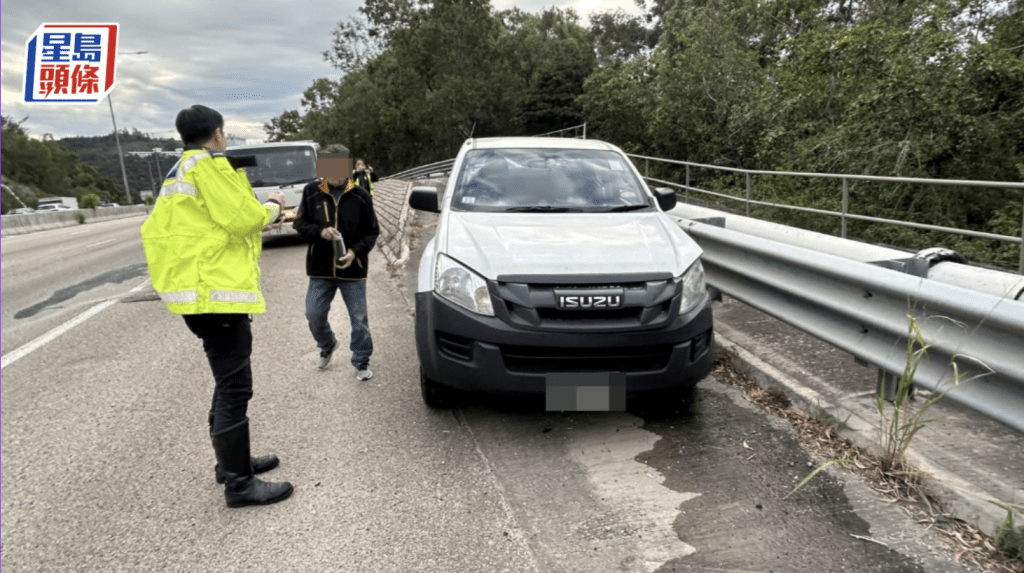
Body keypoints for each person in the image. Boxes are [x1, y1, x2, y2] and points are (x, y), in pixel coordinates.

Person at [140, 104, 294, 508]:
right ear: (218, 134)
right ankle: (239, 486)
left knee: (226, 380)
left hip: (196, 294)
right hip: (215, 294)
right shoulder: (208, 167)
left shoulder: (178, 172)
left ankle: (230, 465)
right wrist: (275, 205)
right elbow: (244, 219)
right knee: (235, 386)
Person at [293, 145, 380, 380]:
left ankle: (361, 360)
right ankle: (327, 343)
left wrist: (354, 252)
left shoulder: (361, 195)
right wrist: (320, 232)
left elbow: (372, 232)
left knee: (359, 320)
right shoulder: (311, 191)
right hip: (320, 269)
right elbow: (299, 225)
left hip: (354, 269)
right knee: (313, 314)